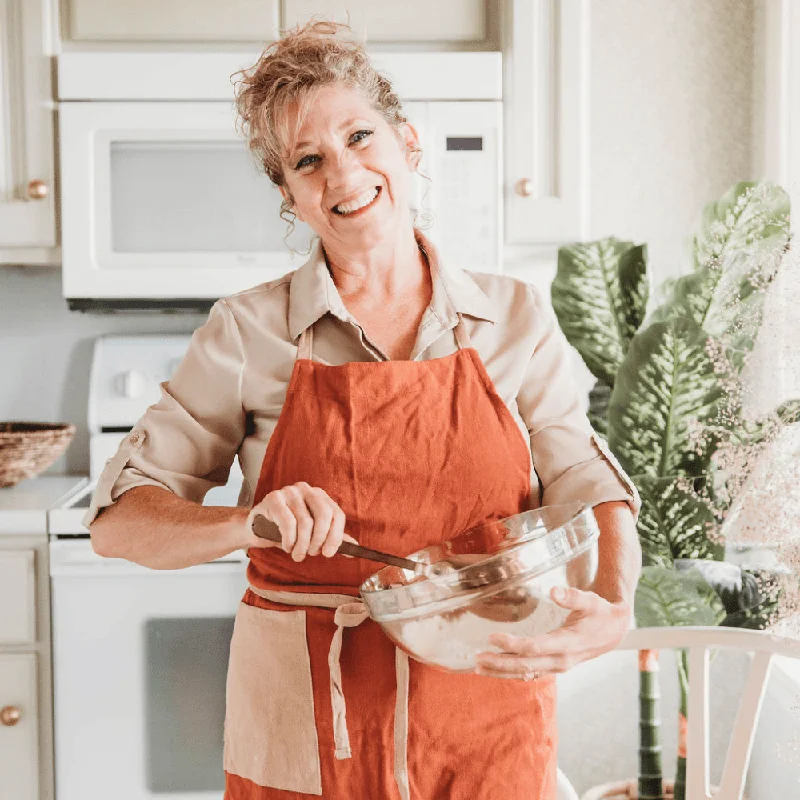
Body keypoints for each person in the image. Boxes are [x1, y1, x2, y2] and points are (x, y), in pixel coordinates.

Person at [85, 19, 642, 800]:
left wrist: (615, 604)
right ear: (289, 195)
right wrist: (246, 523)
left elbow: (582, 470)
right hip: (310, 718)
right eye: (308, 160)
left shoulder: (514, 315)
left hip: (485, 706)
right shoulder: (246, 332)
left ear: (407, 142)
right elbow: (119, 522)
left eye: (360, 136)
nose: (343, 172)